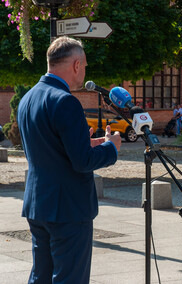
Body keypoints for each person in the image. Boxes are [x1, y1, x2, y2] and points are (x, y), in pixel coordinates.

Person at [17, 36, 121, 283]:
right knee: (69, 278)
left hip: (38, 203)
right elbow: (82, 162)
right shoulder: (65, 101)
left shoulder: (27, 99)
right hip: (68, 207)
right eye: (84, 66)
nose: (84, 72)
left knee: (40, 276)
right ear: (76, 64)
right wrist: (111, 148)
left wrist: (84, 144)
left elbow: (49, 149)